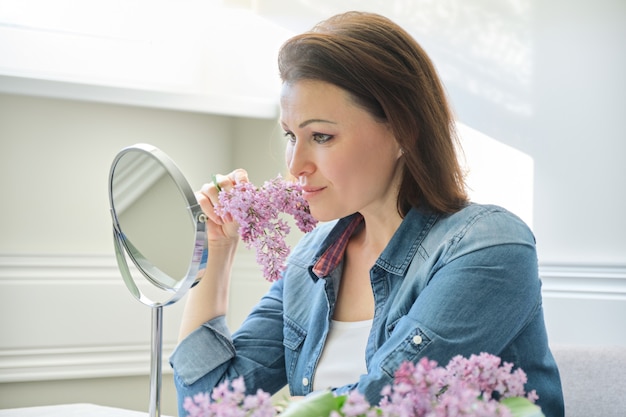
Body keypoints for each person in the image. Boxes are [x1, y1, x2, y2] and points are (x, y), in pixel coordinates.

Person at [170, 11, 564, 417]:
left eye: (321, 136)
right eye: (291, 136)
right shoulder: (312, 263)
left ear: (402, 131)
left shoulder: (490, 247)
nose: (296, 164)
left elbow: (383, 401)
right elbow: (208, 406)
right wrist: (215, 249)